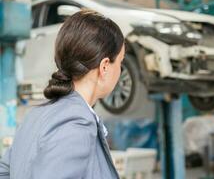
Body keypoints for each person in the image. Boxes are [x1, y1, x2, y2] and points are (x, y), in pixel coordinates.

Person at [0, 10, 125, 179]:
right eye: (120, 61)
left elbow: (4, 172)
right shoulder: (77, 122)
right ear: (104, 67)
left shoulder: (35, 116)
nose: (121, 70)